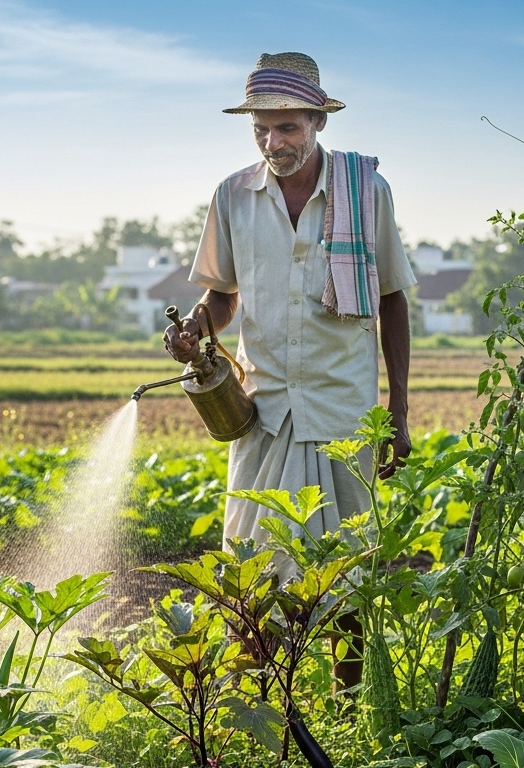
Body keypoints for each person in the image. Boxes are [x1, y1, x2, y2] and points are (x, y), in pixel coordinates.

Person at [164, 51, 416, 686]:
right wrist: (196, 328)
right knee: (252, 570)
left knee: (348, 573)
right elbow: (222, 296)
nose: (274, 143)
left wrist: (399, 412)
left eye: (288, 128)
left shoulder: (366, 192)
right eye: (262, 130)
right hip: (265, 411)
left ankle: (350, 701)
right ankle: (261, 707)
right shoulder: (233, 196)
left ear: (318, 123)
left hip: (344, 407)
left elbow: (391, 298)